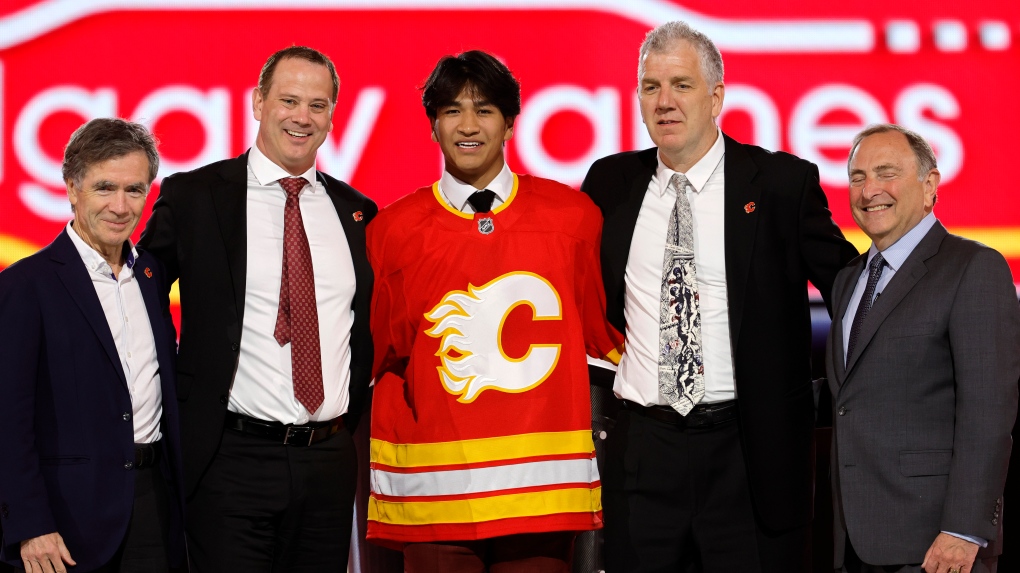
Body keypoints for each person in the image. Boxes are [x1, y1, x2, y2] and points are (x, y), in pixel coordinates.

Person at [581, 20, 859, 572]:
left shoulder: (780, 184)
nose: (665, 101)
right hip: (644, 452)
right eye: (651, 87)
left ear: (716, 96)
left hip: (749, 453)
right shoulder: (609, 183)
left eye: (681, 85)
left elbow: (852, 290)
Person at [366, 50, 624, 573]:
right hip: (436, 497)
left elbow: (603, 338)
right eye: (451, 110)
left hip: (542, 499)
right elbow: (380, 354)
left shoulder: (574, 219)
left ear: (509, 122)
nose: (467, 125)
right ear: (432, 125)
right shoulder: (391, 231)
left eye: (484, 110)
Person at [138, 46, 377, 571]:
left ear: (334, 115)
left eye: (318, 105)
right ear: (258, 103)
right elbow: (138, 294)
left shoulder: (356, 211)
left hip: (328, 459)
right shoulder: (196, 196)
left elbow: (364, 330)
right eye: (288, 100)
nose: (302, 117)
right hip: (230, 458)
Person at [826, 123, 1019, 573]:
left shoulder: (974, 268)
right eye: (857, 177)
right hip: (854, 540)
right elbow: (853, 394)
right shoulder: (848, 280)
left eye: (886, 172)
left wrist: (964, 530)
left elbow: (989, 412)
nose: (870, 189)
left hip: (937, 547)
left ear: (929, 185)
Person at [0, 118, 185, 572]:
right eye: (105, 188)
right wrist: (29, 523)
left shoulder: (152, 276)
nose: (120, 207)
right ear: (72, 188)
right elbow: (8, 417)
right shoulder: (26, 285)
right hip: (64, 522)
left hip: (155, 510)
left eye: (135, 190)